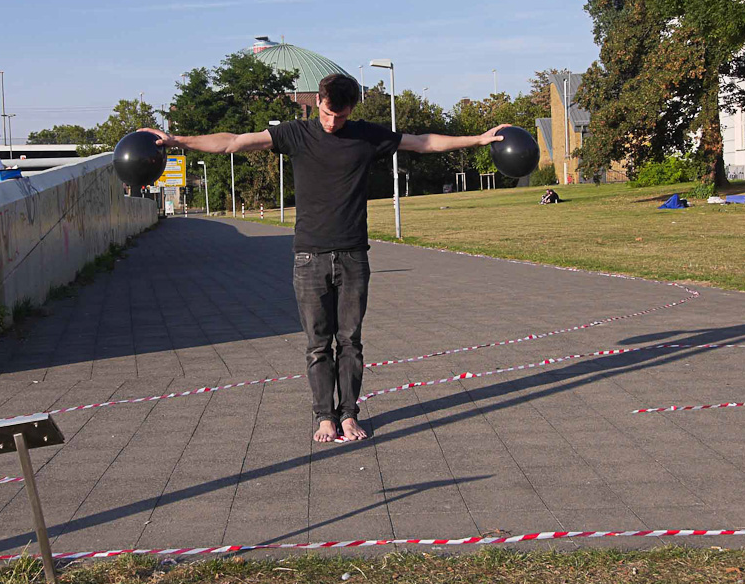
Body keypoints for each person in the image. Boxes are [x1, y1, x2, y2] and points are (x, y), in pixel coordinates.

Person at [142, 73, 506, 444]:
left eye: (341, 116)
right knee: (318, 345)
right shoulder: (295, 134)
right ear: (318, 101)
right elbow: (233, 142)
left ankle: (348, 415)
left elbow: (423, 142)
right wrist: (178, 140)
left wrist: (478, 139)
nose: (332, 122)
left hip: (353, 256)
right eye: (328, 114)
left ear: (352, 110)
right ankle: (324, 418)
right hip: (308, 257)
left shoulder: (367, 136)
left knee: (350, 342)